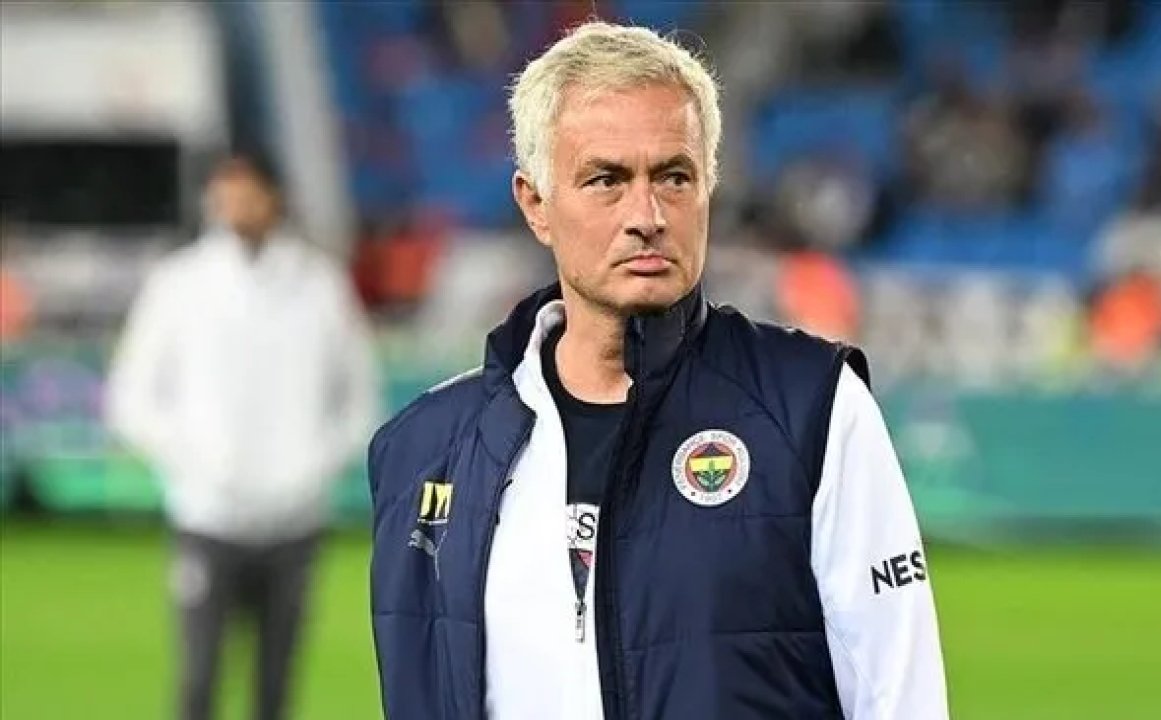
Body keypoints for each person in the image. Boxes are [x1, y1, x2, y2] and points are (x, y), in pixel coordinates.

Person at [369, 22, 948, 719]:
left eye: (674, 177)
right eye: (606, 180)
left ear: (709, 188)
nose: (647, 215)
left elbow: (900, 696)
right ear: (536, 204)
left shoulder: (812, 408)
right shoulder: (425, 451)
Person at [106, 152, 379, 720]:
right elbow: (131, 398)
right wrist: (195, 461)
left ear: (275, 198)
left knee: (275, 686)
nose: (235, 206)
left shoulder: (319, 285)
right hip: (208, 515)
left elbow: (358, 397)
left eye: (248, 192)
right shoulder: (179, 283)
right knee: (199, 680)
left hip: (295, 520)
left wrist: (313, 466)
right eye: (225, 193)